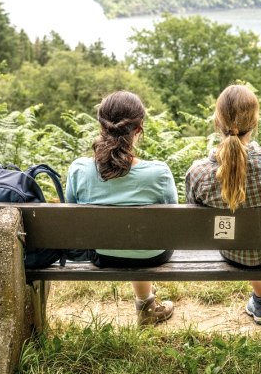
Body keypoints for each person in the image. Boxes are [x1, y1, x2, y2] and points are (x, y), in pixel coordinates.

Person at [185, 84, 261, 325]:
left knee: (238, 233)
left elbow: (196, 218)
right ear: (255, 121)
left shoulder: (198, 173)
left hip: (231, 251)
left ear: (217, 122)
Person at [65, 91, 177, 326]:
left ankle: (147, 305)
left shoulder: (79, 169)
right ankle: (146, 306)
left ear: (101, 126)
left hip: (101, 255)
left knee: (128, 239)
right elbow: (172, 218)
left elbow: (71, 217)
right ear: (139, 129)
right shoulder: (159, 172)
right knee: (140, 238)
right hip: (153, 256)